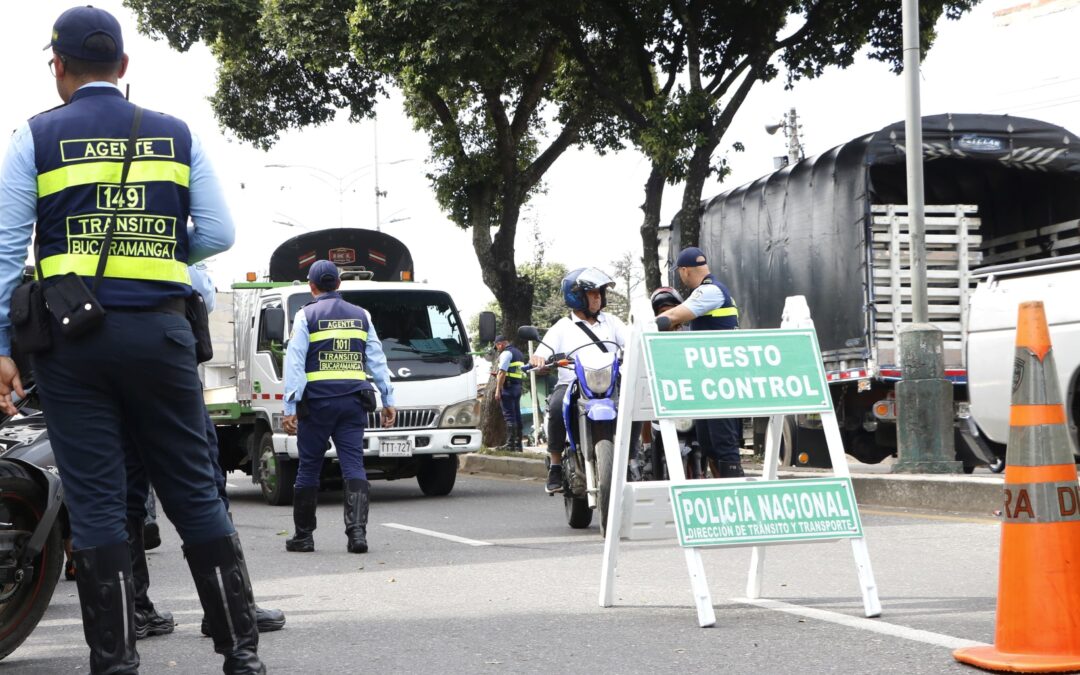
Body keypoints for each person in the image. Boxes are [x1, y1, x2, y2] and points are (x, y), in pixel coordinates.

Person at [0, 7, 265, 673]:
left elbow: (5, 253)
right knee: (194, 491)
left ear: (57, 67)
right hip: (162, 335)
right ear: (122, 68)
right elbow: (219, 231)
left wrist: (3, 346)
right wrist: (161, 248)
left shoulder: (32, 138)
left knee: (94, 501)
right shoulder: (176, 134)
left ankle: (115, 662)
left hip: (72, 345)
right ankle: (242, 653)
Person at [122, 264, 286, 639]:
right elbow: (203, 292)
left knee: (126, 495)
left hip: (106, 372)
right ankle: (227, 609)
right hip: (167, 368)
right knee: (205, 488)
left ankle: (133, 611)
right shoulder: (169, 232)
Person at [282, 260, 397, 553]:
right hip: (352, 402)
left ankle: (304, 537)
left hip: (317, 404)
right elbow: (377, 359)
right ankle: (357, 535)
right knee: (353, 465)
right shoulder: (362, 316)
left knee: (308, 467)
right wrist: (388, 399)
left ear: (312, 286)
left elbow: (295, 362)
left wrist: (290, 407)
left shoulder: (305, 315)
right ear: (339, 284)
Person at [529, 268, 628, 493]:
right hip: (572, 383)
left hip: (609, 383)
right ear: (576, 296)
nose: (598, 297)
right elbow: (542, 352)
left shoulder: (612, 322)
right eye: (592, 293)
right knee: (555, 406)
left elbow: (631, 341)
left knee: (634, 404)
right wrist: (538, 359)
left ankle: (633, 457)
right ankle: (555, 465)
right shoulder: (561, 328)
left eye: (599, 293)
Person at [656, 247, 745, 478]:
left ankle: (737, 499)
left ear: (684, 271)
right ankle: (721, 496)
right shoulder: (712, 291)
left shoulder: (709, 291)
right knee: (708, 444)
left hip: (721, 381)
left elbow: (673, 316)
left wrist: (641, 327)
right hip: (710, 380)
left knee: (724, 446)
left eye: (680, 273)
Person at [493, 335, 525, 452]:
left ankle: (510, 445)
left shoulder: (506, 353)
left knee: (509, 416)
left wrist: (498, 390)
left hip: (508, 388)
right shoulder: (519, 353)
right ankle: (518, 445)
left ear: (500, 344)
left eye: (497, 347)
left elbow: (502, 373)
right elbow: (516, 371)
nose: (498, 349)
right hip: (517, 387)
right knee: (517, 415)